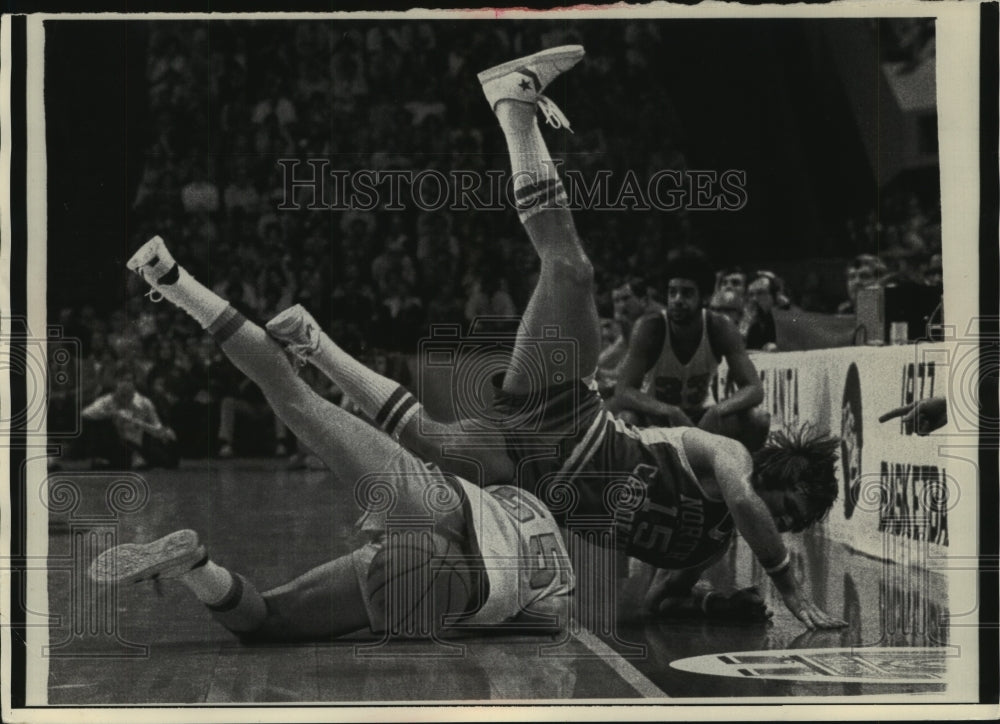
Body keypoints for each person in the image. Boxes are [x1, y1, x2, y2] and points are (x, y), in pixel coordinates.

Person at [266, 46, 844, 630]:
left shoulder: (707, 549)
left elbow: (640, 605)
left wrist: (718, 602)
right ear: (777, 477)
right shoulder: (732, 459)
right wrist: (788, 582)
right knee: (570, 269)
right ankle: (512, 109)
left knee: (428, 441)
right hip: (568, 411)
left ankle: (313, 343)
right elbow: (746, 503)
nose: (784, 526)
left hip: (532, 475)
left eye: (792, 527)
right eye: (790, 510)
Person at [89, 237, 574, 642]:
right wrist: (487, 617)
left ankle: (174, 280)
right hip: (458, 583)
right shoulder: (558, 574)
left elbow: (435, 442)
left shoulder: (518, 493)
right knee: (269, 625)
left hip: (438, 502)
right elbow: (549, 621)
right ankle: (197, 571)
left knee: (295, 398)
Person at [613, 245, 770, 451]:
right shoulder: (649, 328)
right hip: (660, 418)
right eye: (672, 293)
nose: (677, 300)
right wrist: (669, 411)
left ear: (703, 298)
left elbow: (754, 389)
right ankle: (642, 478)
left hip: (702, 417)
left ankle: (748, 475)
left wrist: (718, 411)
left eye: (686, 293)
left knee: (758, 419)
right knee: (625, 419)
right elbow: (623, 390)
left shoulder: (719, 327)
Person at [80, 370, 179, 470]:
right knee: (101, 423)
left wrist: (161, 431)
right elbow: (85, 413)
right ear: (116, 385)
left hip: (136, 444)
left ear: (134, 386)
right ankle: (111, 460)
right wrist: (111, 414)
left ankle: (121, 461)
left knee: (166, 443)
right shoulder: (107, 400)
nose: (125, 384)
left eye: (128, 381)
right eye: (121, 380)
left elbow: (157, 426)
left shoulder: (144, 403)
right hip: (113, 443)